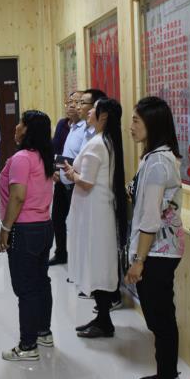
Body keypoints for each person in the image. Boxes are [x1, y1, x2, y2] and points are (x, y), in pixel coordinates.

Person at [124, 96, 185, 379]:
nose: (131, 126)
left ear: (153, 124)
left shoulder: (159, 163)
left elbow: (150, 217)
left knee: (160, 319)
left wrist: (139, 260)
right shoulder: (154, 158)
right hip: (158, 248)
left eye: (136, 120)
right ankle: (167, 374)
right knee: (160, 317)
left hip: (157, 251)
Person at [64, 98, 127, 338]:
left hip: (94, 214)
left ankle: (104, 321)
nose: (88, 111)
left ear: (103, 116)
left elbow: (87, 182)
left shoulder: (98, 143)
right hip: (97, 212)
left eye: (93, 108)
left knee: (96, 263)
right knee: (98, 262)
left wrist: (71, 173)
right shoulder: (105, 141)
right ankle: (102, 318)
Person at [0, 110, 55, 361]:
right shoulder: (43, 157)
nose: (16, 127)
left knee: (26, 288)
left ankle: (28, 346)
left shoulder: (21, 158)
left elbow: (18, 197)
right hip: (44, 227)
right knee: (41, 281)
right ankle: (43, 332)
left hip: (25, 230)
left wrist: (5, 230)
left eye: (21, 123)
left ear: (28, 130)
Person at [48, 91, 85, 267]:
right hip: (61, 179)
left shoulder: (85, 128)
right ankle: (61, 253)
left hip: (76, 181)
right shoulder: (63, 125)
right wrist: (54, 170)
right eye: (69, 101)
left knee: (76, 223)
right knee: (57, 218)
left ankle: (78, 261)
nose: (72, 105)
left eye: (77, 102)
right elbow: (56, 150)